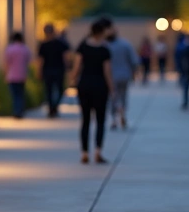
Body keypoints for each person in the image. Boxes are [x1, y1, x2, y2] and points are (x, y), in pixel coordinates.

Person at [71, 19, 113, 164]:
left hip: (85, 85)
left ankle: (84, 153)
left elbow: (76, 67)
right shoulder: (105, 49)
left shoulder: (83, 46)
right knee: (100, 120)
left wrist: (72, 80)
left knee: (85, 120)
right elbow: (107, 71)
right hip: (100, 87)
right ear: (102, 33)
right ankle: (98, 151)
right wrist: (112, 89)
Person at [104, 25, 139, 130]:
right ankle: (122, 113)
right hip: (124, 75)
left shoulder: (105, 46)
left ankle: (114, 118)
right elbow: (134, 60)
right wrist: (134, 73)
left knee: (112, 97)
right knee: (123, 96)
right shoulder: (125, 44)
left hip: (110, 76)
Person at [37, 24, 69, 117]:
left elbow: (40, 60)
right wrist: (67, 69)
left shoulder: (43, 45)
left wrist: (39, 72)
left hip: (48, 70)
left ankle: (52, 107)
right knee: (59, 89)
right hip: (58, 69)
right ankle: (54, 107)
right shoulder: (61, 43)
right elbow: (66, 57)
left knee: (49, 90)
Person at [4, 32, 30, 118]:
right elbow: (27, 62)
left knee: (14, 95)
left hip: (12, 76)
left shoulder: (10, 49)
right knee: (20, 94)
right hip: (22, 75)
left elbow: (7, 63)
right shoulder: (25, 49)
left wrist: (5, 74)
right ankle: (20, 110)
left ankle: (16, 111)